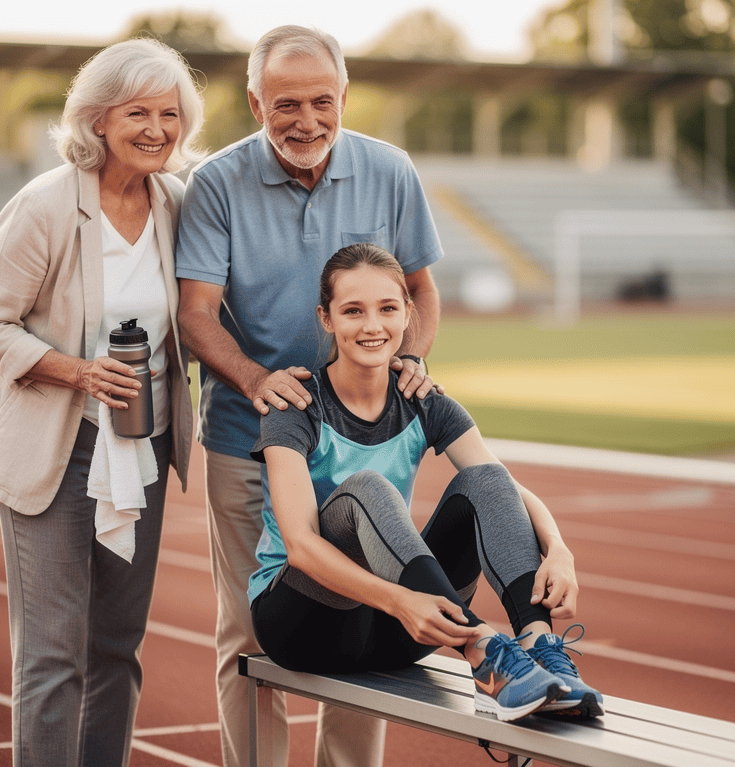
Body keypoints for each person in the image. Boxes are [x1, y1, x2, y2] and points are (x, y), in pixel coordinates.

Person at [175, 24, 442, 767]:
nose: (306, 120)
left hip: (360, 441)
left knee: (359, 613)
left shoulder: (391, 170)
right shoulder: (216, 183)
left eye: (322, 101)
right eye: (285, 103)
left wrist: (410, 357)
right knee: (250, 633)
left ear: (346, 97)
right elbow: (195, 313)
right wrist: (257, 380)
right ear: (255, 101)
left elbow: (419, 288)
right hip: (246, 437)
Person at [0, 38, 204, 767]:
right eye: (139, 112)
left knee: (117, 648)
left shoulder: (175, 201)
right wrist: (77, 371)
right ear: (98, 119)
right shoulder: (43, 206)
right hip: (55, 446)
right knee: (53, 653)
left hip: (145, 444)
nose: (157, 128)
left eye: (170, 113)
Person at [251, 243, 604, 724]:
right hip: (306, 622)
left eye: (387, 308)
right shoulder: (295, 405)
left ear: (407, 314)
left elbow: (502, 488)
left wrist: (559, 549)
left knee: (483, 477)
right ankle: (482, 649)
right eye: (353, 310)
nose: (372, 326)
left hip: (402, 630)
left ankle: (537, 646)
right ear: (327, 318)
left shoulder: (423, 399)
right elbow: (299, 545)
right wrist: (401, 600)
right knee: (367, 487)